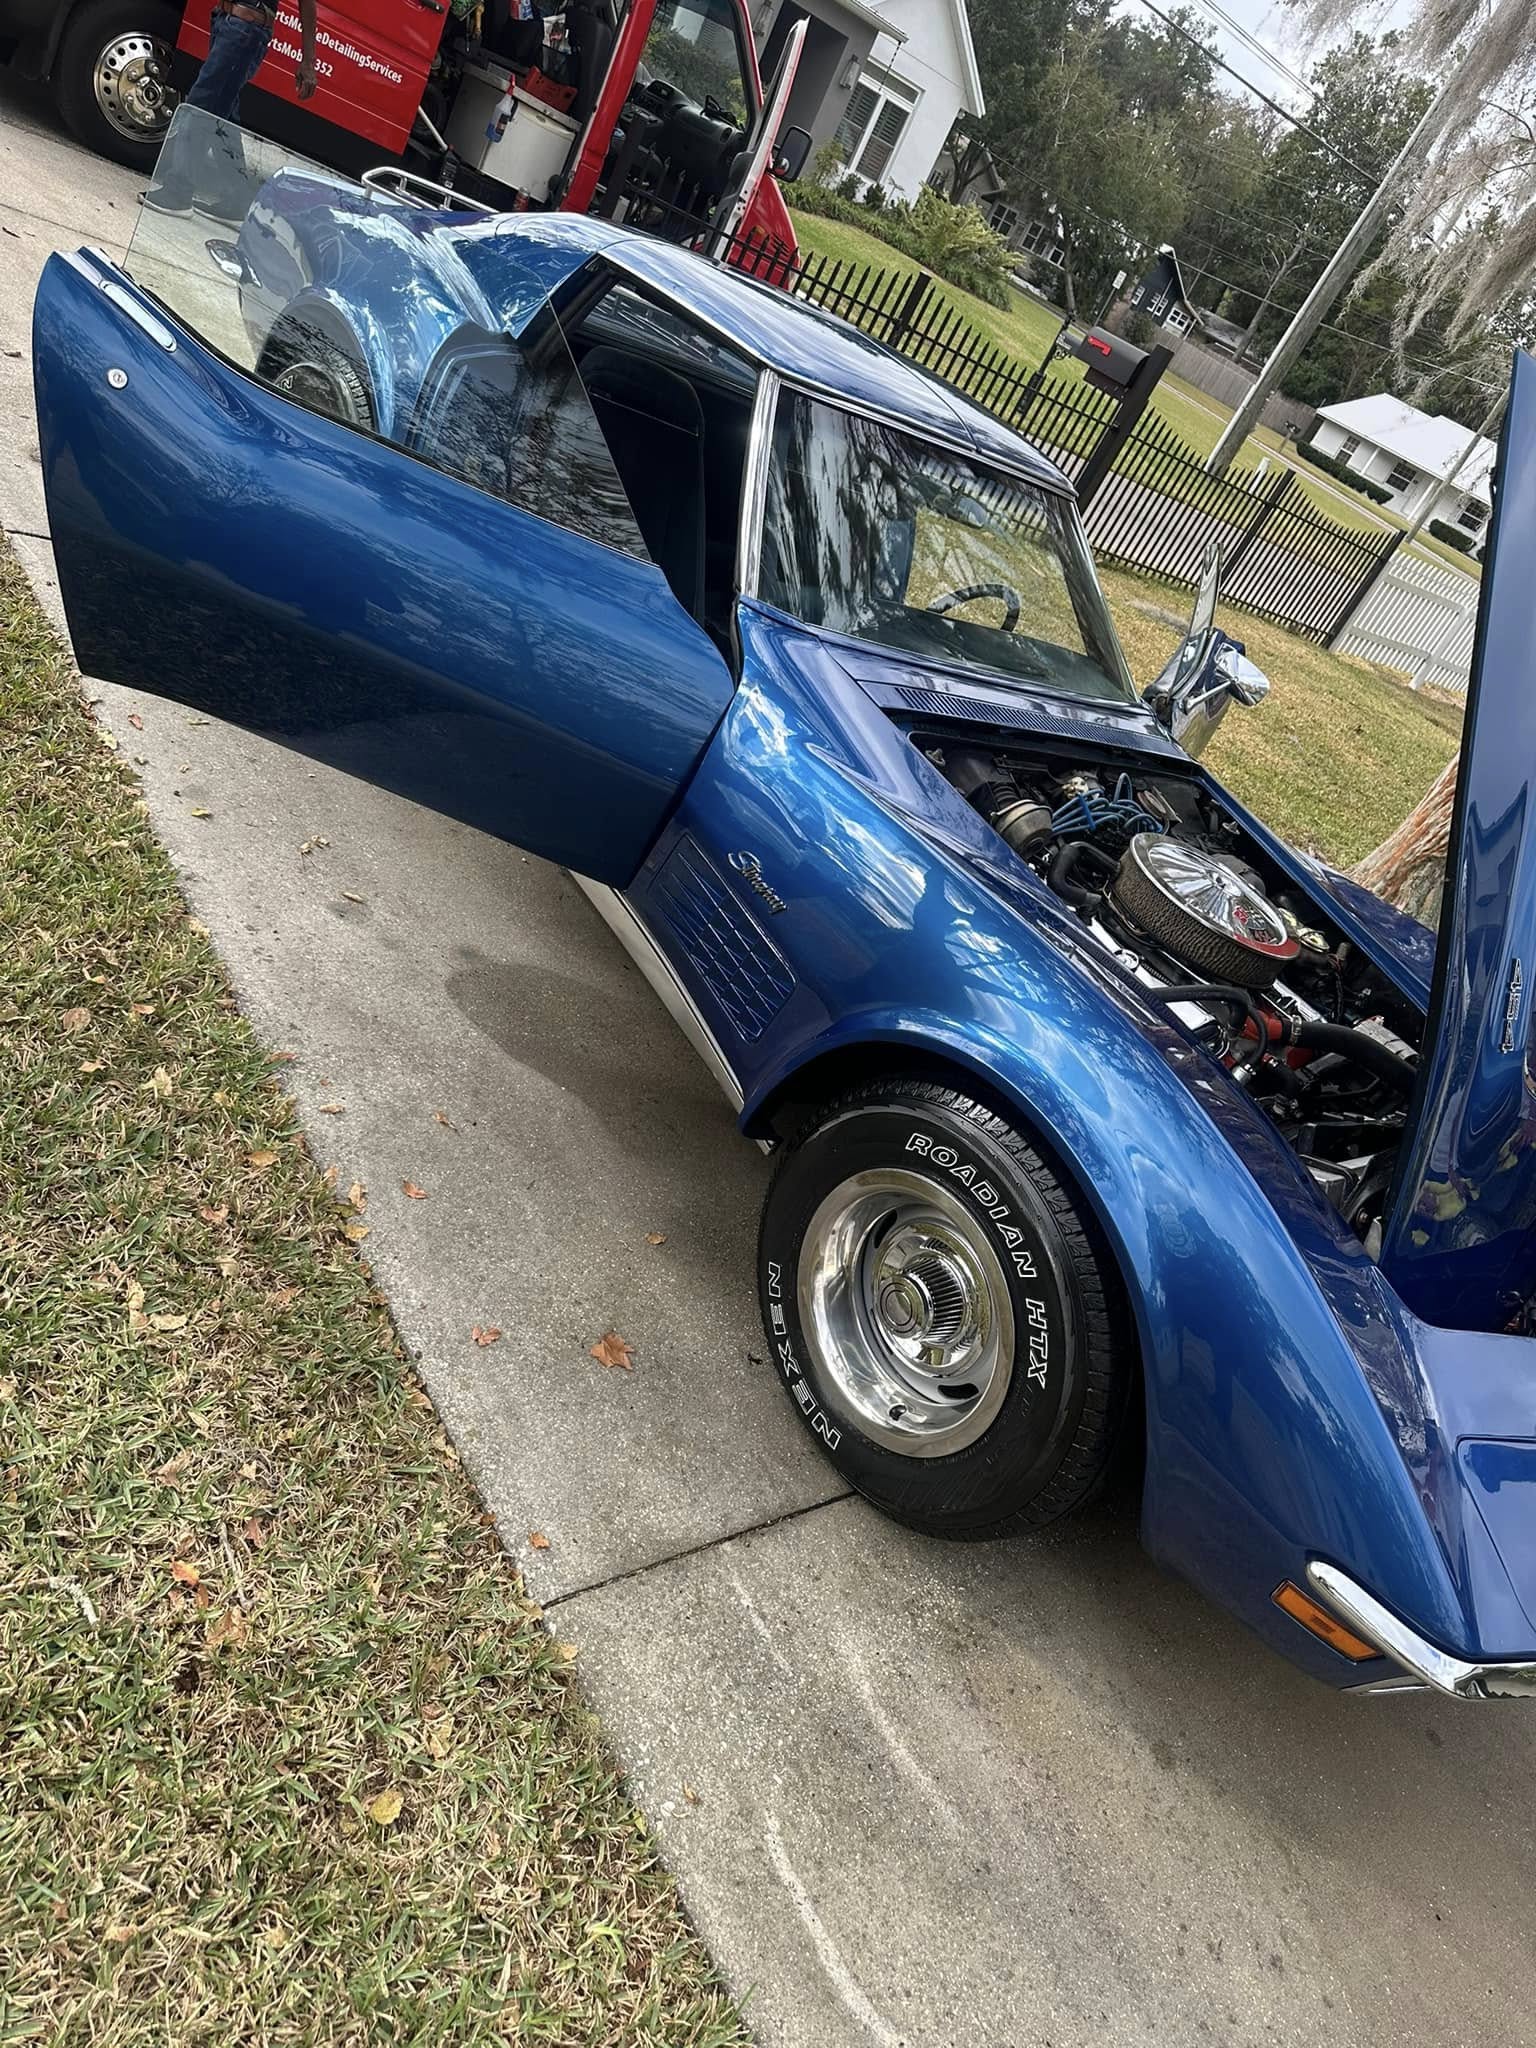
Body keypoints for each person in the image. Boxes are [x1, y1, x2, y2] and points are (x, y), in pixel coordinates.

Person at [143, 0, 318, 219]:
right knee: (223, 114)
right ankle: (238, 199)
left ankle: (178, 192)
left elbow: (308, 4)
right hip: (228, 22)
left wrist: (308, 62)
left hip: (245, 28)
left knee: (201, 105)